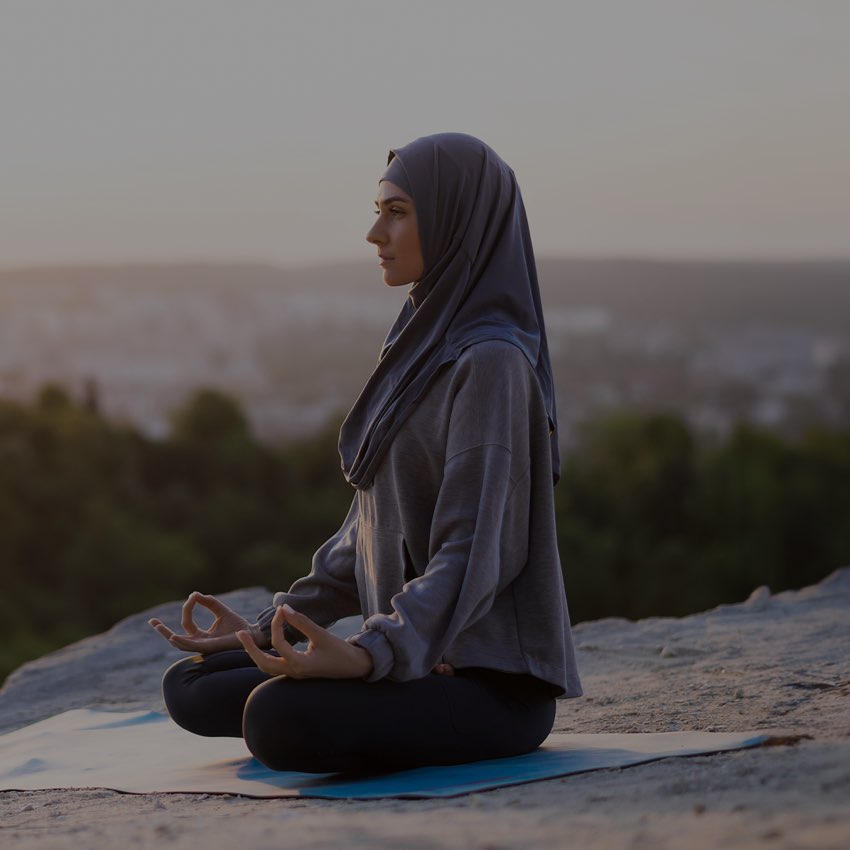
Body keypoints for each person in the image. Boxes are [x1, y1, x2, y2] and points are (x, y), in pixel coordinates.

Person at [149, 132, 582, 774]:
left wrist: (367, 654)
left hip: (490, 681)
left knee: (277, 718)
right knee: (193, 686)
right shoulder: (421, 344)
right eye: (379, 210)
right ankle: (372, 674)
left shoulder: (491, 362)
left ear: (459, 221)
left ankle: (383, 679)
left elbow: (475, 554)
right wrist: (274, 626)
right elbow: (364, 538)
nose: (375, 233)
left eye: (398, 212)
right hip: (411, 656)